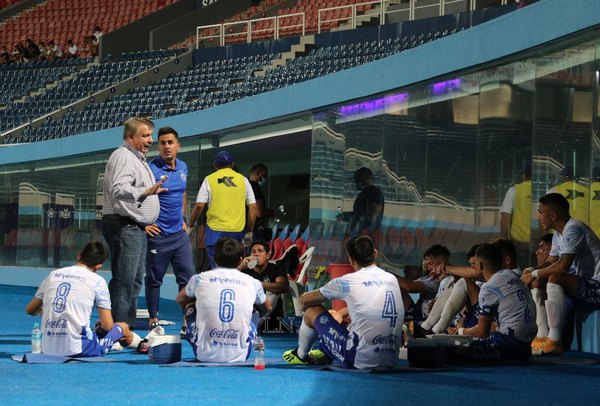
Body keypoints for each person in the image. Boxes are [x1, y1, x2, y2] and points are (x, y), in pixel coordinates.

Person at [283, 235, 403, 369]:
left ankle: (301, 355)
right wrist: (342, 313)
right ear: (375, 253)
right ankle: (328, 349)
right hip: (392, 360)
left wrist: (327, 319)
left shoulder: (347, 281)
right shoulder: (392, 279)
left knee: (312, 310)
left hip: (359, 359)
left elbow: (304, 300)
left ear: (351, 260)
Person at [102, 117, 167, 329]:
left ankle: (123, 328)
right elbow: (119, 190)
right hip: (123, 226)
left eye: (151, 136)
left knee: (134, 281)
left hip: (133, 226)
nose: (150, 140)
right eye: (145, 135)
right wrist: (147, 191)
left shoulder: (138, 158)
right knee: (124, 280)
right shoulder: (123, 156)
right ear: (130, 136)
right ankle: (115, 329)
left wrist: (142, 221)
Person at [25, 242, 143, 356]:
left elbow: (30, 310)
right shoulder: (98, 281)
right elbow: (108, 326)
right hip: (78, 349)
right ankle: (142, 344)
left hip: (47, 348)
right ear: (99, 266)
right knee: (122, 327)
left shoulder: (53, 274)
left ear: (79, 255)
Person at [521, 193, 600, 355]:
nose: (538, 217)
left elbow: (562, 267)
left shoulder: (574, 229)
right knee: (537, 281)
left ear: (554, 215)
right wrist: (531, 271)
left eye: (540, 212)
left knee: (555, 278)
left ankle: (555, 340)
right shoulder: (558, 234)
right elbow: (550, 262)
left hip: (596, 286)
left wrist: (534, 273)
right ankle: (542, 335)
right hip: (583, 284)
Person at [176, 237, 271, 362]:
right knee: (255, 310)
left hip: (204, 354)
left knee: (190, 304)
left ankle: (195, 334)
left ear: (214, 259)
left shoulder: (199, 278)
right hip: (241, 355)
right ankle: (244, 337)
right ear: (240, 260)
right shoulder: (253, 282)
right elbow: (268, 307)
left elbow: (180, 299)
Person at [145, 127, 194, 330]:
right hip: (158, 235)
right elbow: (140, 196)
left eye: (170, 142)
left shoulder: (183, 167)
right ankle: (153, 319)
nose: (166, 146)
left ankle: (187, 321)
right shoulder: (150, 169)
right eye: (162, 143)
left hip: (179, 235)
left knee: (188, 279)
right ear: (158, 146)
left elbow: (182, 194)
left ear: (178, 146)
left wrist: (183, 218)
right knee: (154, 280)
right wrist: (144, 224)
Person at [456, 243, 536, 362]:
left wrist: (461, 330)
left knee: (455, 348)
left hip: (507, 344)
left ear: (481, 265)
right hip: (526, 347)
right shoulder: (512, 275)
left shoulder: (489, 287)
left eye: (475, 264)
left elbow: (482, 332)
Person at [188, 150, 257, 268]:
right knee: (234, 269)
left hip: (215, 232)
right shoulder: (243, 180)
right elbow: (253, 206)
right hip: (237, 231)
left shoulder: (209, 180)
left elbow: (199, 205)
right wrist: (249, 231)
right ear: (232, 164)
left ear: (215, 165)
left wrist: (190, 226)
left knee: (217, 269)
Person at [397, 244, 452, 322]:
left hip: (430, 320)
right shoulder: (427, 278)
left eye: (431, 263)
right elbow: (406, 285)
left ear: (442, 261)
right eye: (426, 264)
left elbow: (410, 287)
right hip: (419, 314)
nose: (429, 268)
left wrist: (387, 274)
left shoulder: (440, 280)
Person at [237, 239, 289, 320]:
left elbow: (284, 286)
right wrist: (240, 267)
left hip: (271, 314)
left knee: (274, 293)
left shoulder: (275, 268)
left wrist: (257, 284)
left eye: (260, 251)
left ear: (267, 255)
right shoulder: (245, 269)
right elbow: (228, 282)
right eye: (253, 252)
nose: (256, 254)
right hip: (248, 309)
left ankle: (256, 322)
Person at [499, 166, 532, 245]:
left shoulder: (514, 190)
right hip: (536, 238)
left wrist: (503, 237)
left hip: (518, 238)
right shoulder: (539, 190)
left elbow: (506, 216)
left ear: (524, 176)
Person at [349, 167, 384, 236]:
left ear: (367, 178)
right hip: (360, 232)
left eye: (358, 179)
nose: (356, 182)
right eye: (355, 180)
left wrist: (366, 230)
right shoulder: (363, 193)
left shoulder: (374, 192)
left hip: (366, 234)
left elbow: (375, 214)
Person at [248, 163, 273, 242]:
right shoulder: (255, 188)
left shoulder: (247, 187)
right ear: (258, 174)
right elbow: (259, 213)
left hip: (247, 228)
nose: (265, 178)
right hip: (255, 230)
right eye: (264, 175)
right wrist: (272, 212)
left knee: (247, 250)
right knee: (256, 252)